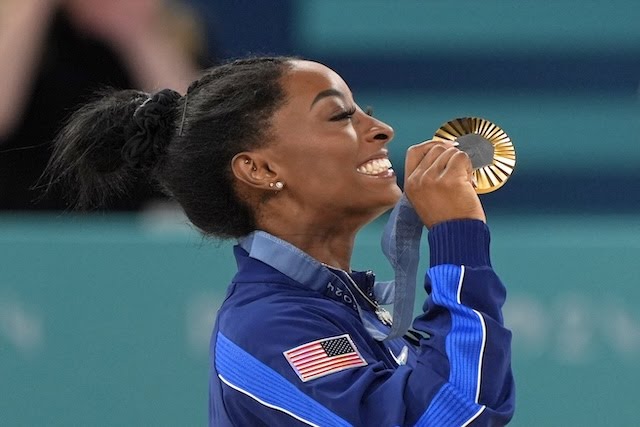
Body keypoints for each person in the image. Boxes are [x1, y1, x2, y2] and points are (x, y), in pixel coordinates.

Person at [45, 57, 515, 426]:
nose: (381, 130)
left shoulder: (342, 308)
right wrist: (458, 242)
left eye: (364, 113)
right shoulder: (268, 328)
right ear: (261, 169)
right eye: (339, 116)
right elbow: (451, 415)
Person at [0, 0, 207, 210]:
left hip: (139, 223)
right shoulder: (21, 27)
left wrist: (137, 35)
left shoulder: (176, 28)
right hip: (24, 220)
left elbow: (196, 132)